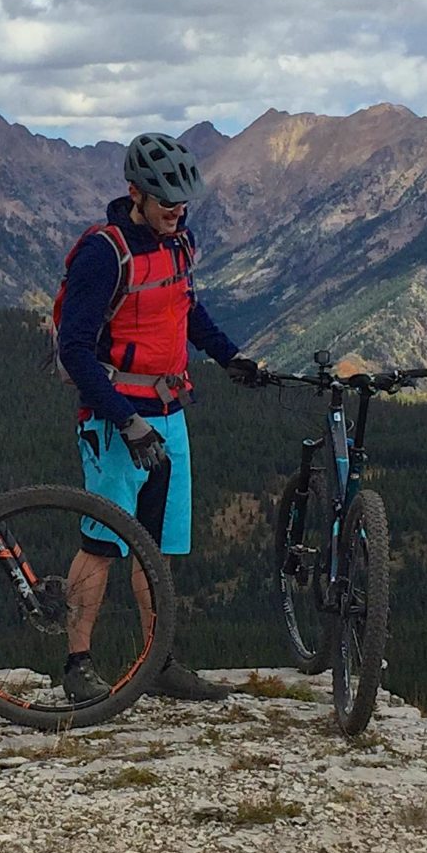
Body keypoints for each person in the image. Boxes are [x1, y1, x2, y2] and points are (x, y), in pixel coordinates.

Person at [53, 131, 264, 704]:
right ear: (134, 193)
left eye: (181, 199)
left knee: (158, 545)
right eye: (163, 197)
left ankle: (159, 660)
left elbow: (186, 310)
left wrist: (231, 357)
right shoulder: (105, 252)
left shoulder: (179, 244)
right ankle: (77, 664)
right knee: (103, 542)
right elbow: (73, 349)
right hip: (116, 417)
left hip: (170, 412)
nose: (175, 208)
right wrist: (125, 420)